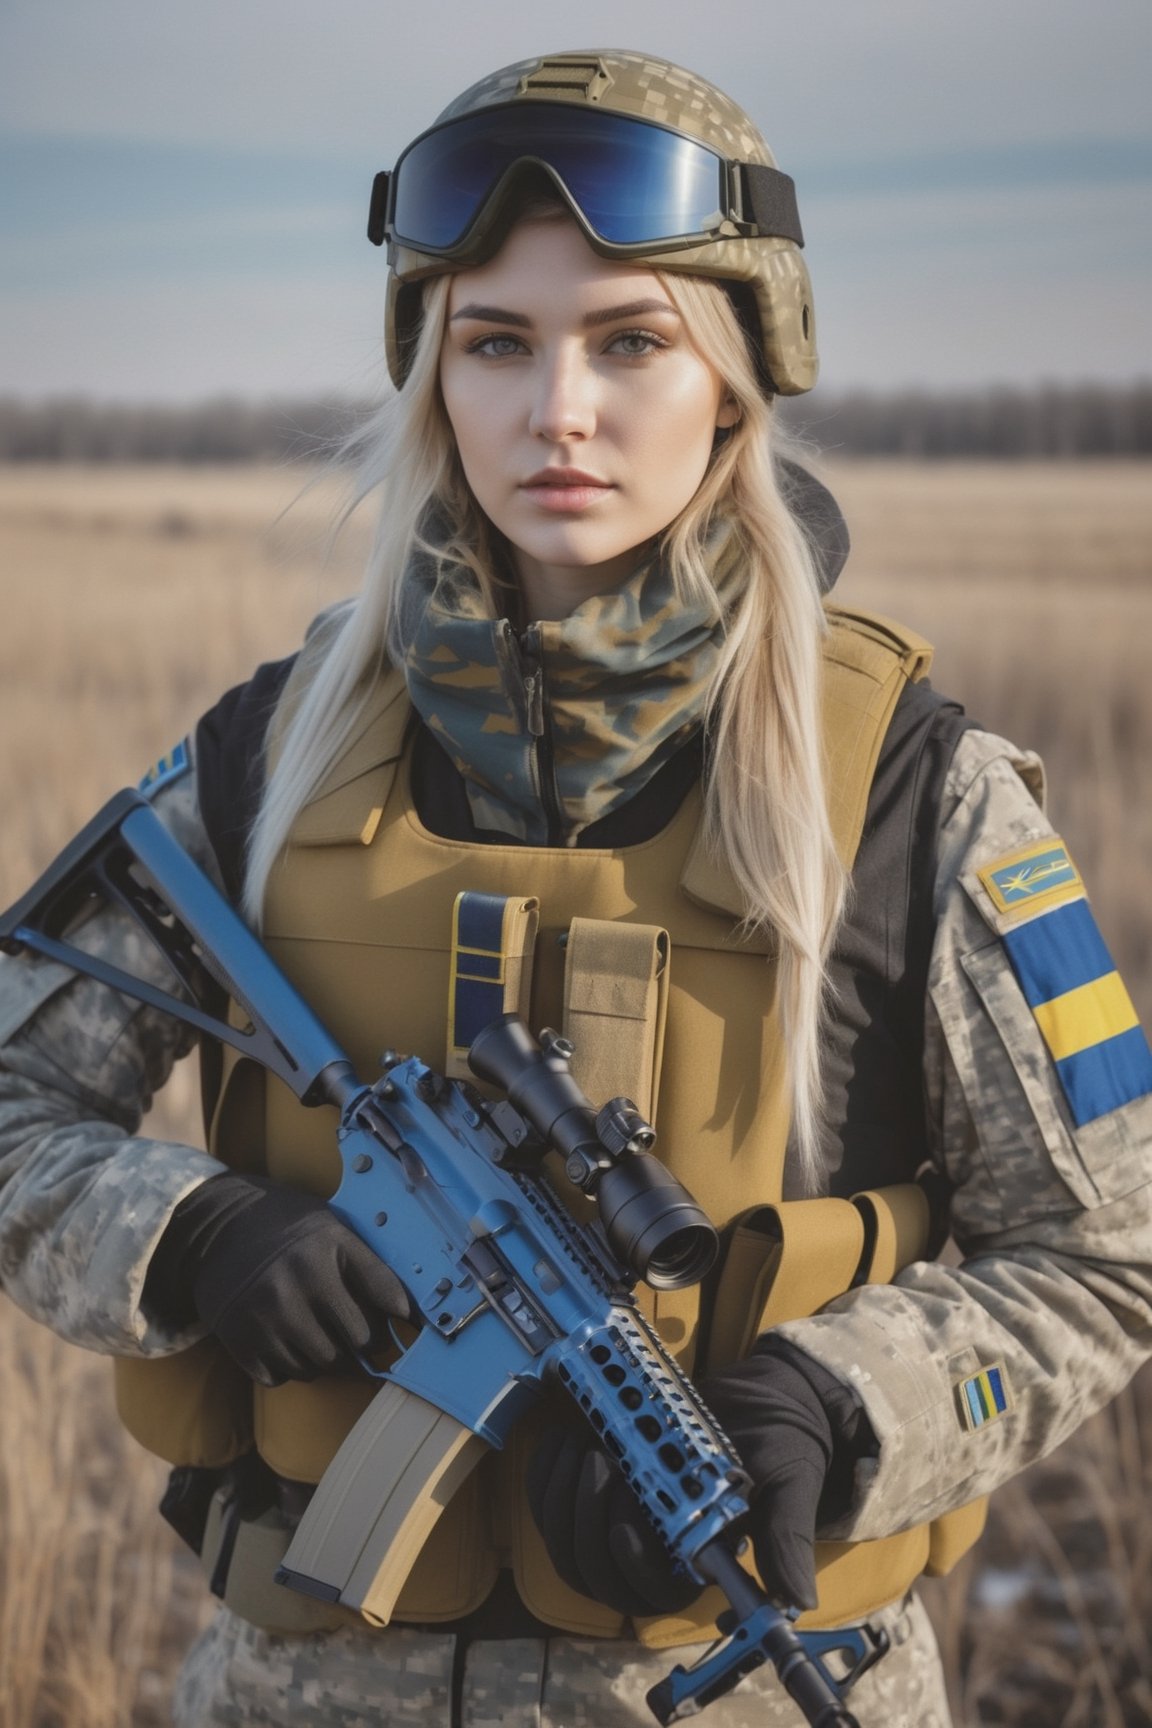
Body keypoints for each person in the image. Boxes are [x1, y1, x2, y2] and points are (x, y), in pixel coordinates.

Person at [1, 46, 1150, 1728]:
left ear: (738, 381)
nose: (559, 412)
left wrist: (838, 1406)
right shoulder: (270, 759)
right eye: (496, 344)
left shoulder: (907, 791)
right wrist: (192, 1236)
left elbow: (1105, 1254)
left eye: (632, 341)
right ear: (434, 381)